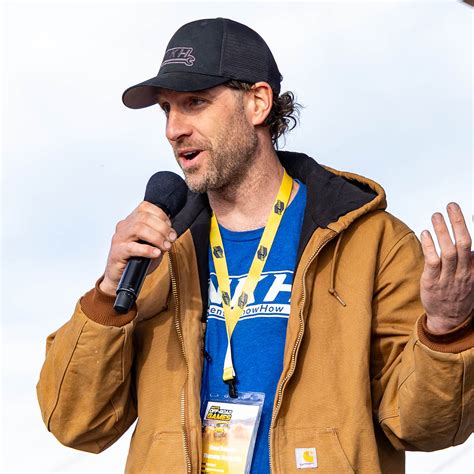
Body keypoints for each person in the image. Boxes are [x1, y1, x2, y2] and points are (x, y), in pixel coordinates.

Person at [37, 18, 473, 474]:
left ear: (258, 103)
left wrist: (445, 329)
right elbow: (75, 423)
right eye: (167, 109)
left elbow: (423, 427)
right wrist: (109, 295)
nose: (173, 129)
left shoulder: (373, 243)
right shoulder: (158, 254)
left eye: (195, 102)